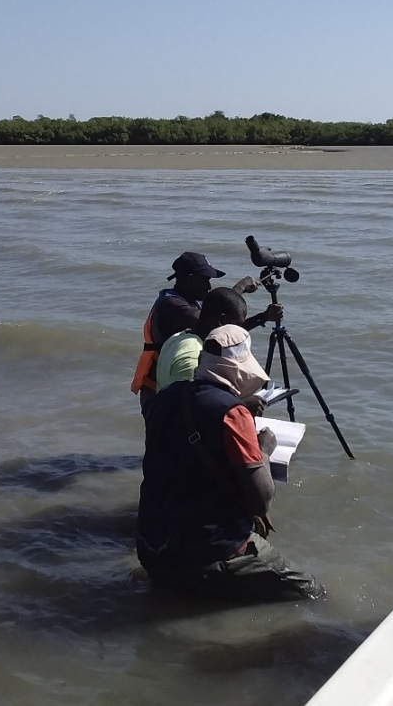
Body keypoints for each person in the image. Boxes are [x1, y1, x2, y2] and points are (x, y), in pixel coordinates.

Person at [137, 324, 322, 603]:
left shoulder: (164, 398)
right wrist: (265, 450)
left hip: (152, 546)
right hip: (209, 552)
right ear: (238, 369)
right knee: (312, 593)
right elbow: (262, 502)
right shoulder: (233, 415)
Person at [131, 251, 281, 418]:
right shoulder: (173, 305)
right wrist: (239, 289)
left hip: (171, 381)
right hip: (158, 389)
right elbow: (217, 328)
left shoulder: (190, 300)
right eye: (205, 280)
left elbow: (220, 326)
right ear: (189, 279)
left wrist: (263, 317)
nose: (209, 287)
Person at [155, 287, 249, 392]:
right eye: (236, 326)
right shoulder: (193, 358)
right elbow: (185, 404)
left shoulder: (178, 338)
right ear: (221, 320)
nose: (238, 332)